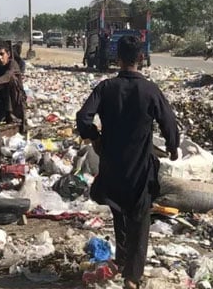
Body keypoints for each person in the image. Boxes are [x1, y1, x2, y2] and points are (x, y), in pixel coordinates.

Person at [77, 35, 180, 289]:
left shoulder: (105, 88)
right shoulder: (150, 90)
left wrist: (95, 138)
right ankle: (132, 276)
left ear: (118, 58)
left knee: (120, 213)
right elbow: (170, 124)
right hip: (140, 169)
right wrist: (172, 146)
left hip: (112, 167)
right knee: (140, 219)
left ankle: (123, 260)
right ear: (141, 58)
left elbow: (83, 118)